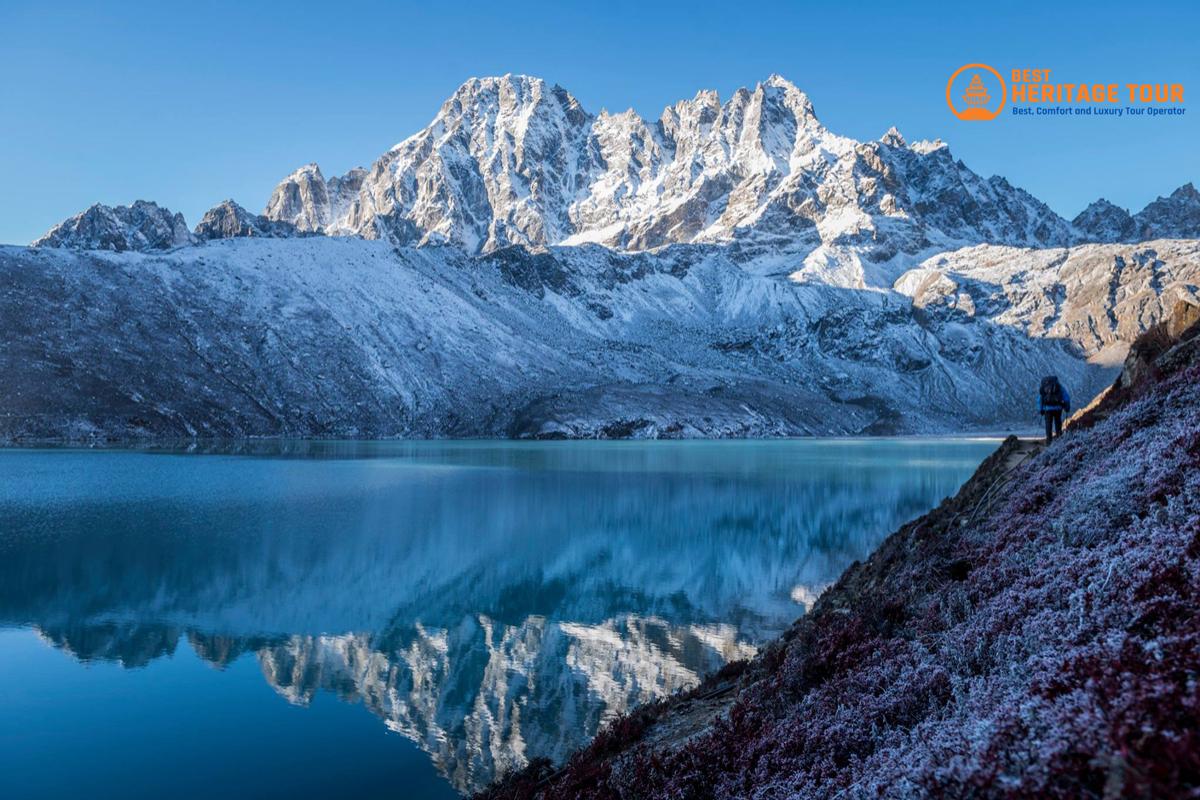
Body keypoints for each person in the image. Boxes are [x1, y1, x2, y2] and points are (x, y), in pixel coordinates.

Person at [1038, 375, 1071, 444]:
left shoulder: (1045, 387)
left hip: (1047, 409)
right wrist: (1067, 407)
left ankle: (1049, 441)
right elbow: (1066, 397)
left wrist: (1041, 409)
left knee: (1048, 425)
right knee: (1058, 423)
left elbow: (1040, 399)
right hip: (1058, 408)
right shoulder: (1059, 387)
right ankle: (1059, 439)